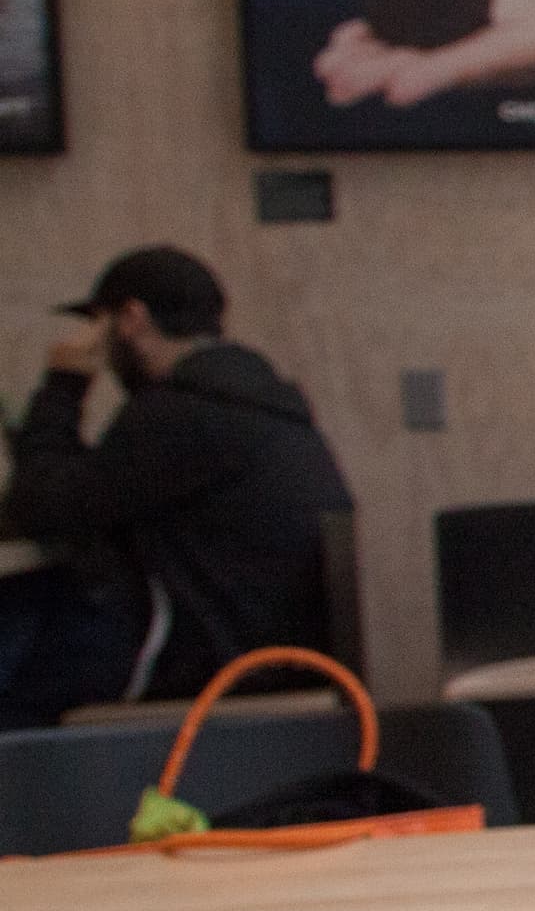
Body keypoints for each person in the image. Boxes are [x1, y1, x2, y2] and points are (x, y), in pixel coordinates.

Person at [3, 246, 354, 728]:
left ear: (130, 318)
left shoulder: (180, 412)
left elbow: (43, 505)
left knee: (21, 663)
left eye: (97, 326)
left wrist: (64, 383)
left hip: (217, 665)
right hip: (274, 656)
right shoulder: (252, 400)